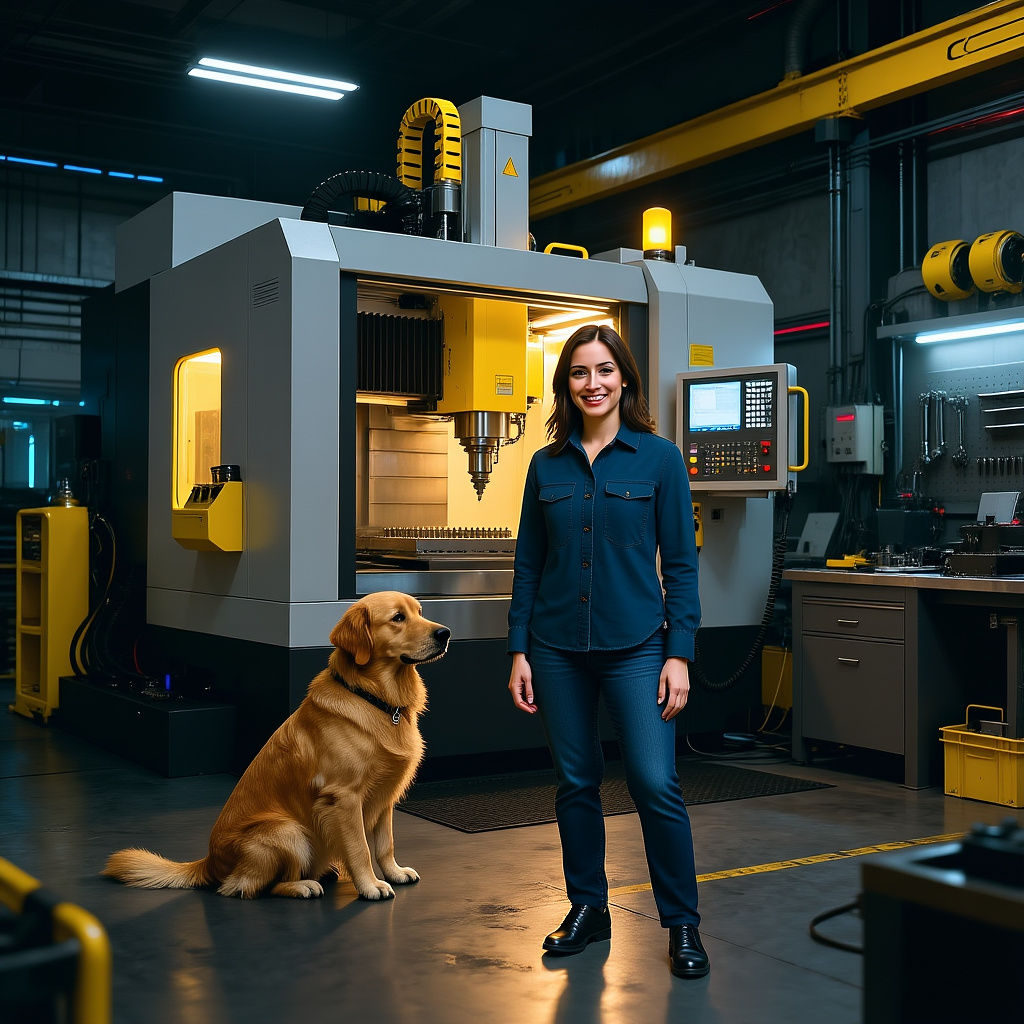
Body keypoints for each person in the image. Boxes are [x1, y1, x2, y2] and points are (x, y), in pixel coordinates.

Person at [507, 323, 708, 979]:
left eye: (603, 371)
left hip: (637, 647)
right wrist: (519, 649)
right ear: (565, 385)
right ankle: (588, 909)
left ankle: (682, 924)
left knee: (654, 782)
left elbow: (680, 565)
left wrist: (679, 653)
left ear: (625, 378)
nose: (592, 384)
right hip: (556, 646)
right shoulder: (547, 464)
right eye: (578, 373)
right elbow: (528, 565)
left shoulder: (659, 459)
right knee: (575, 782)